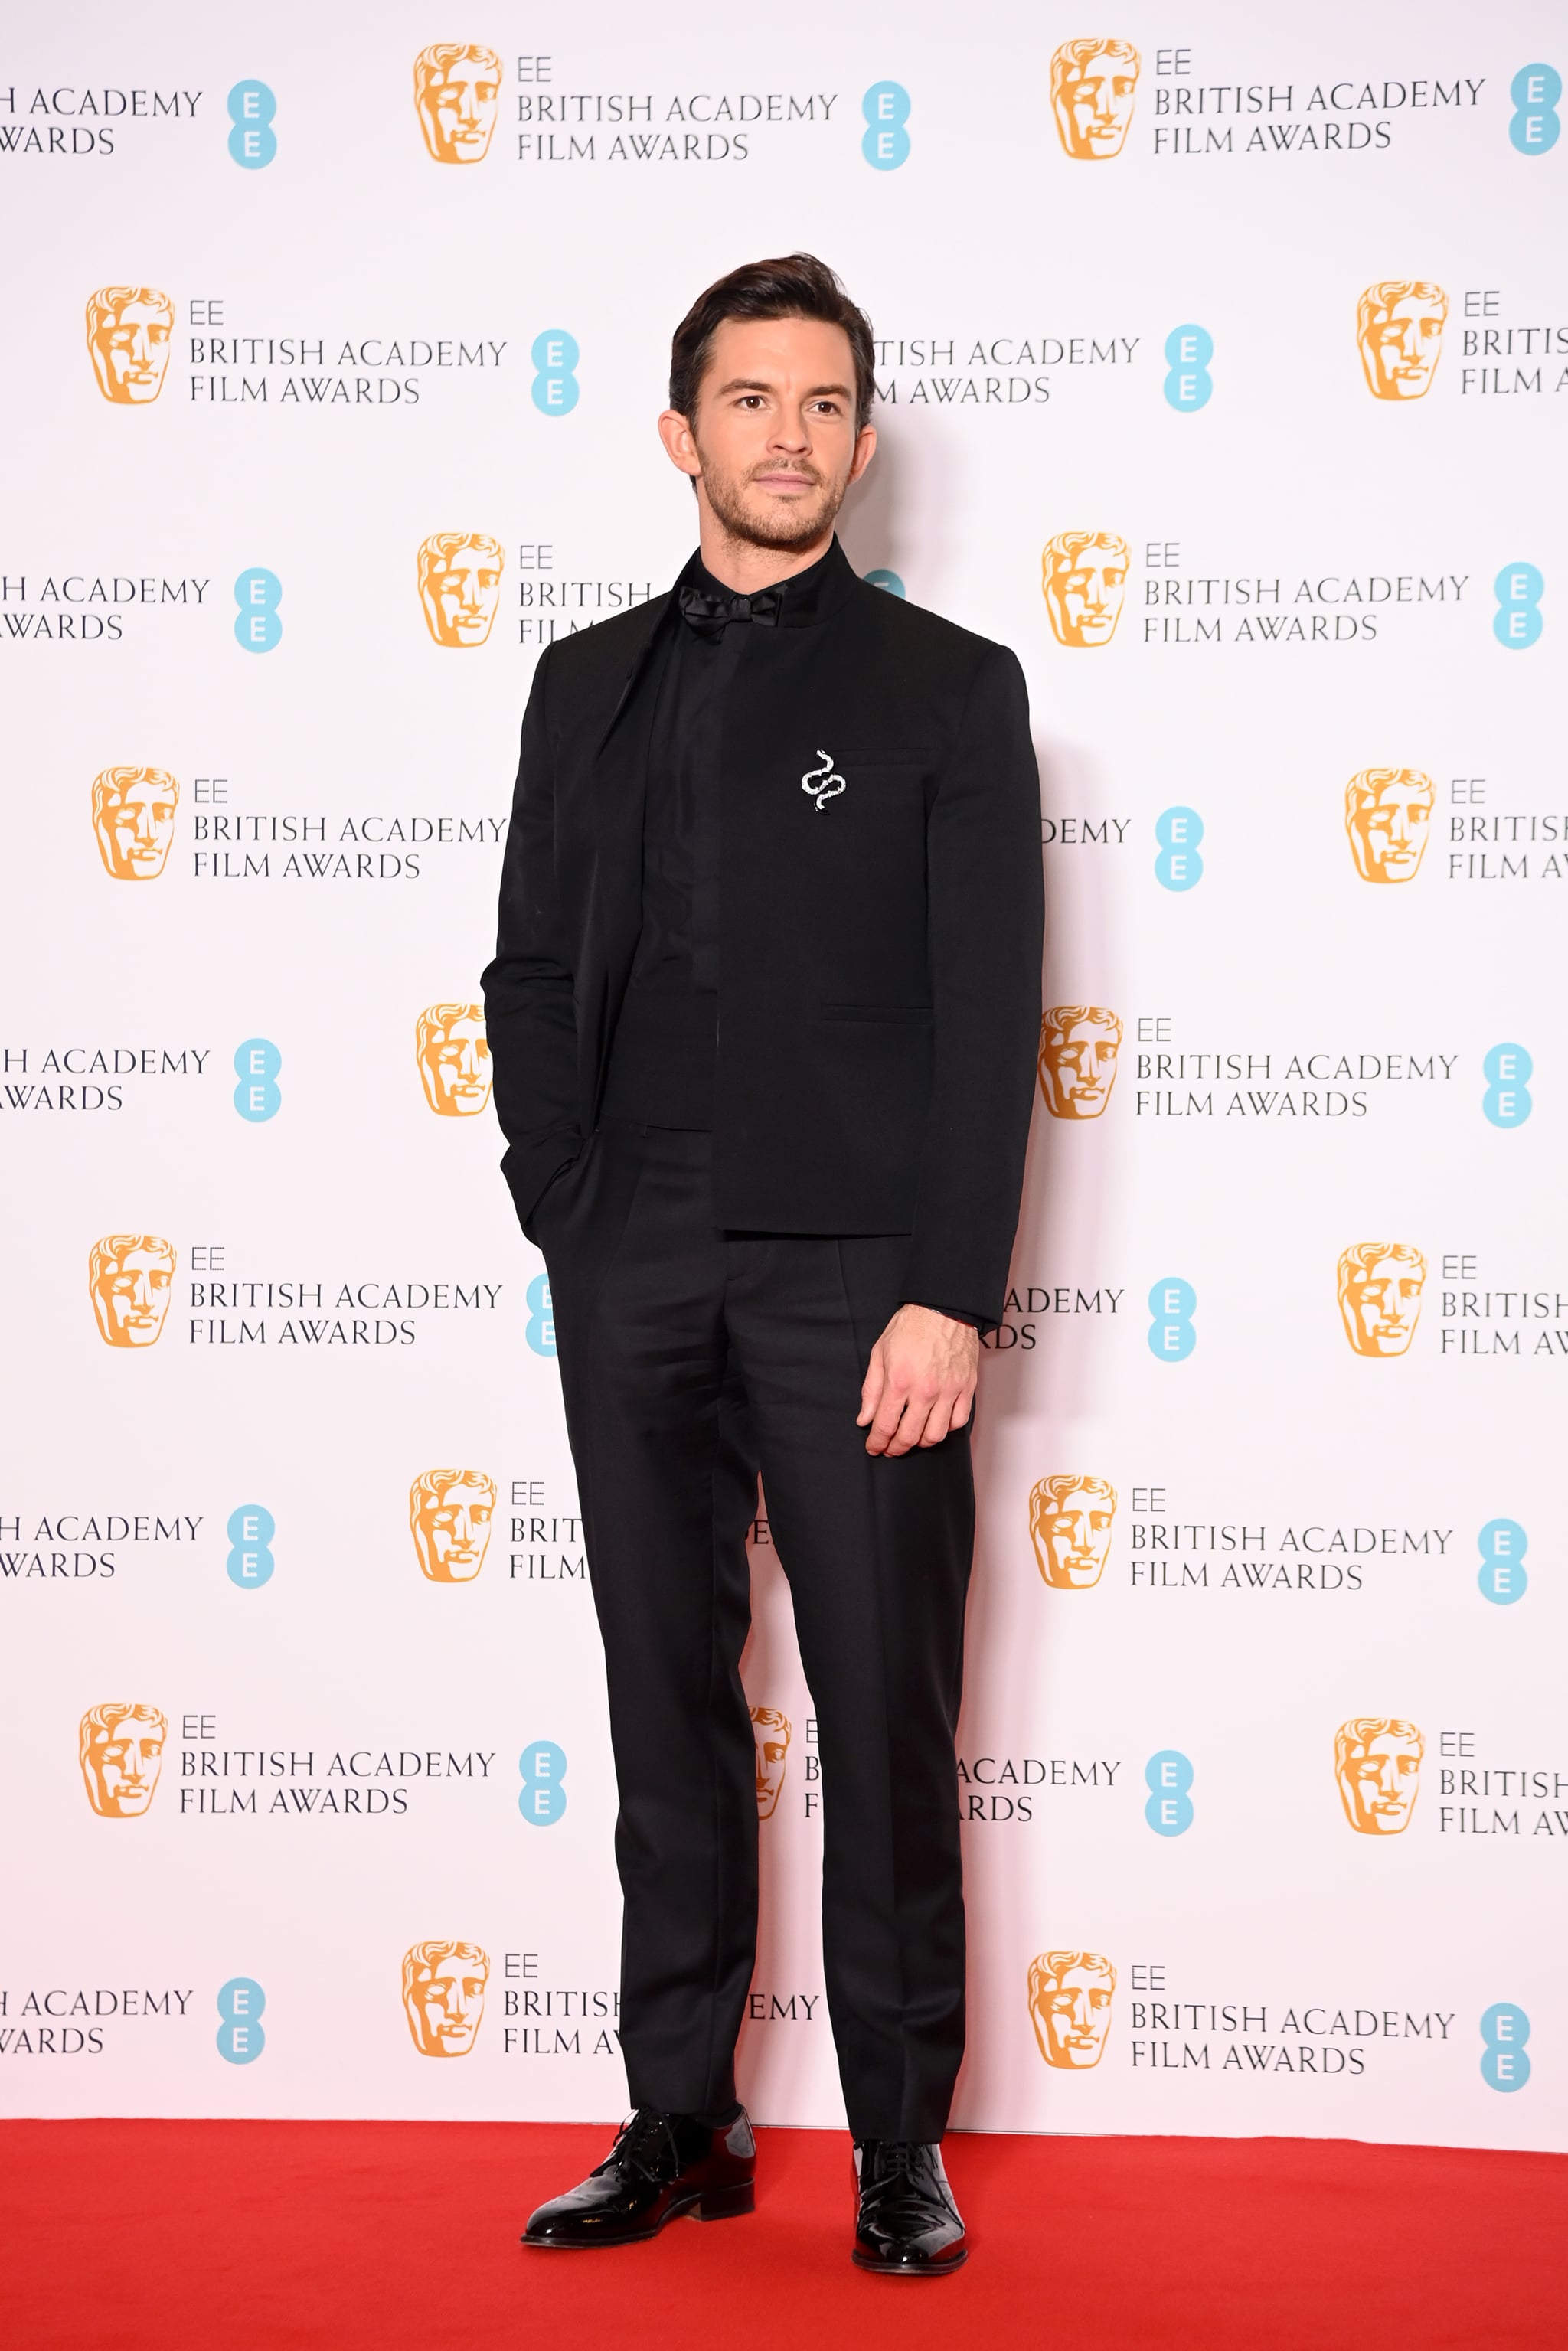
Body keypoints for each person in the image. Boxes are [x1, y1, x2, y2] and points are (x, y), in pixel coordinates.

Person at [482, 253, 1042, 2275]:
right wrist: (569, 1198)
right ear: (680, 432)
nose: (787, 436)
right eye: (749, 400)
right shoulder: (582, 681)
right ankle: (679, 2126)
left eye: (823, 405)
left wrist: (948, 1289)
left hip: (858, 1283)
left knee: (886, 1719)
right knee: (664, 1705)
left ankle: (904, 2148)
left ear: (864, 442)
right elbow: (532, 966)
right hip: (632, 1259)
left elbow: (993, 1020)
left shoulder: (951, 692)